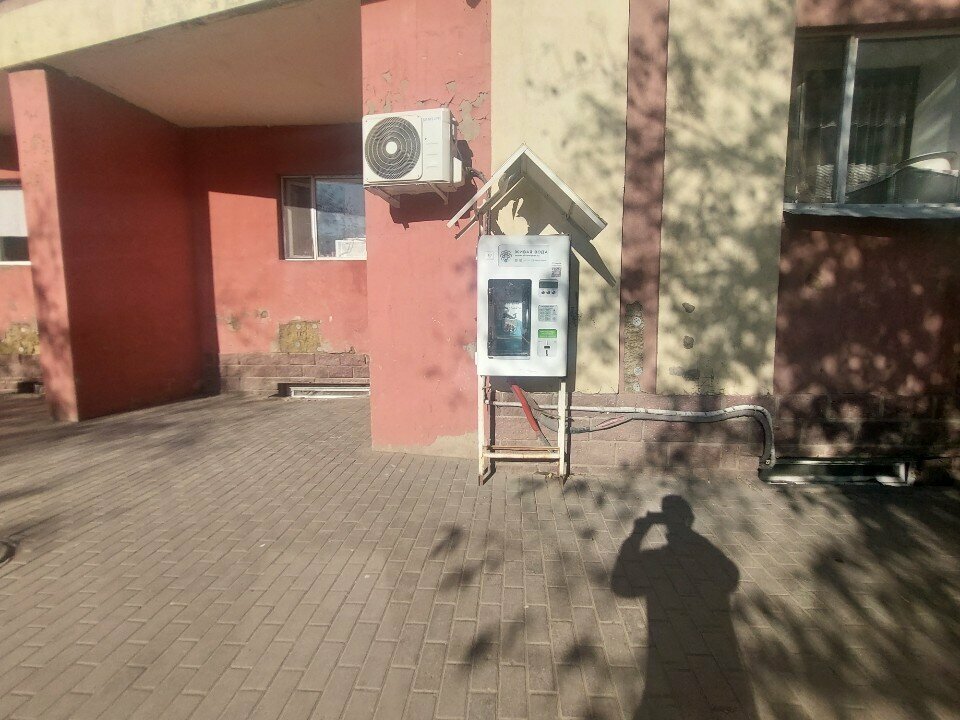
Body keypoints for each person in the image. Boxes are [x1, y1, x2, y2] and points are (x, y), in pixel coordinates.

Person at [611, 495, 756, 719]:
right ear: (689, 519)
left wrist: (639, 532)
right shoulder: (706, 557)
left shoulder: (655, 559)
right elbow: (731, 576)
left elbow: (621, 585)